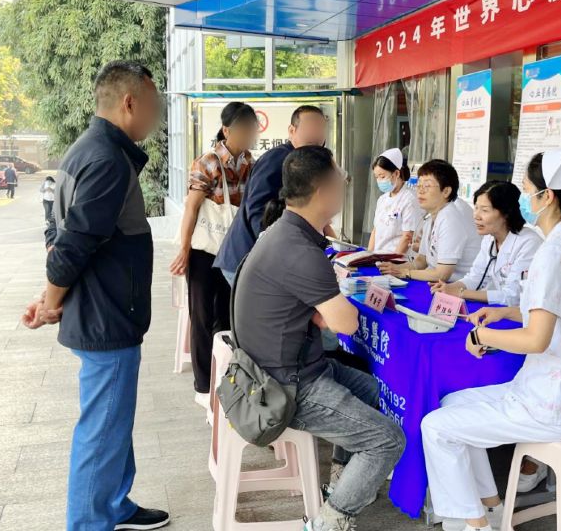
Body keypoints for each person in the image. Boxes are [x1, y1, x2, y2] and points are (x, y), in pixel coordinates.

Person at [421, 148, 561, 531]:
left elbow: (537, 339)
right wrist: (506, 313)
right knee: (451, 403)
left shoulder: (554, 251)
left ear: (547, 196)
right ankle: (489, 505)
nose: (524, 198)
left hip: (555, 403)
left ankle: (474, 525)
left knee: (436, 427)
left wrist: (482, 334)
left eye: (526, 189)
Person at [21, 61, 170, 531]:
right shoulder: (106, 159)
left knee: (112, 421)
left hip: (101, 308)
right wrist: (50, 302)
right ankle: (89, 521)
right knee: (102, 429)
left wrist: (50, 296)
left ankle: (115, 504)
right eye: (153, 104)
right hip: (107, 315)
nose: (157, 115)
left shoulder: (86, 149)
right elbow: (73, 244)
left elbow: (59, 233)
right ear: (129, 102)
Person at [233, 146, 405, 531]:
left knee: (379, 392)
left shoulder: (284, 233)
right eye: (340, 178)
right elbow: (346, 324)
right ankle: (329, 522)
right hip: (287, 386)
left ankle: (342, 480)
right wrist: (330, 309)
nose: (346, 183)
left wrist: (322, 311)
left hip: (288, 367)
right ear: (323, 191)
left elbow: (317, 315)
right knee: (388, 439)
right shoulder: (299, 250)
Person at [169, 101, 258, 409]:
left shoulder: (251, 163)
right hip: (204, 252)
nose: (250, 135)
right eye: (244, 129)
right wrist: (183, 249)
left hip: (234, 251)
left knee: (228, 315)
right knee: (202, 316)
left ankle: (226, 378)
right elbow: (192, 208)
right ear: (226, 130)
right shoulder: (207, 162)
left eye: (252, 129)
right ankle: (203, 386)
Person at [215, 105, 329, 285]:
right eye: (310, 127)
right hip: (248, 257)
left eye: (320, 128)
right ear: (292, 130)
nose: (316, 134)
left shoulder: (306, 162)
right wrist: (276, 251)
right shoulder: (278, 159)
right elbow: (257, 209)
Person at [430, 180, 541, 306]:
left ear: (506, 213)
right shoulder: (489, 239)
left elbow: (512, 296)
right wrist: (448, 288)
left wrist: (461, 293)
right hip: (501, 309)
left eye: (484, 210)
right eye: (476, 208)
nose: (476, 216)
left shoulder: (529, 243)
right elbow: (475, 277)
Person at [378, 159, 479, 282]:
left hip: (457, 287)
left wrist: (405, 272)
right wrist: (395, 267)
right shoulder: (431, 217)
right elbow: (421, 261)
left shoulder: (450, 219)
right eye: (419, 185)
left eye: (427, 186)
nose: (420, 191)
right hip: (439, 284)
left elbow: (442, 275)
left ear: (446, 191)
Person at [368, 148, 421, 254]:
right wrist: (367, 255)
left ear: (396, 173)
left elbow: (407, 236)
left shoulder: (409, 199)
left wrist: (392, 261)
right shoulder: (382, 200)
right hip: (379, 257)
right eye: (377, 177)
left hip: (398, 259)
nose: (379, 181)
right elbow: (375, 231)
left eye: (382, 176)